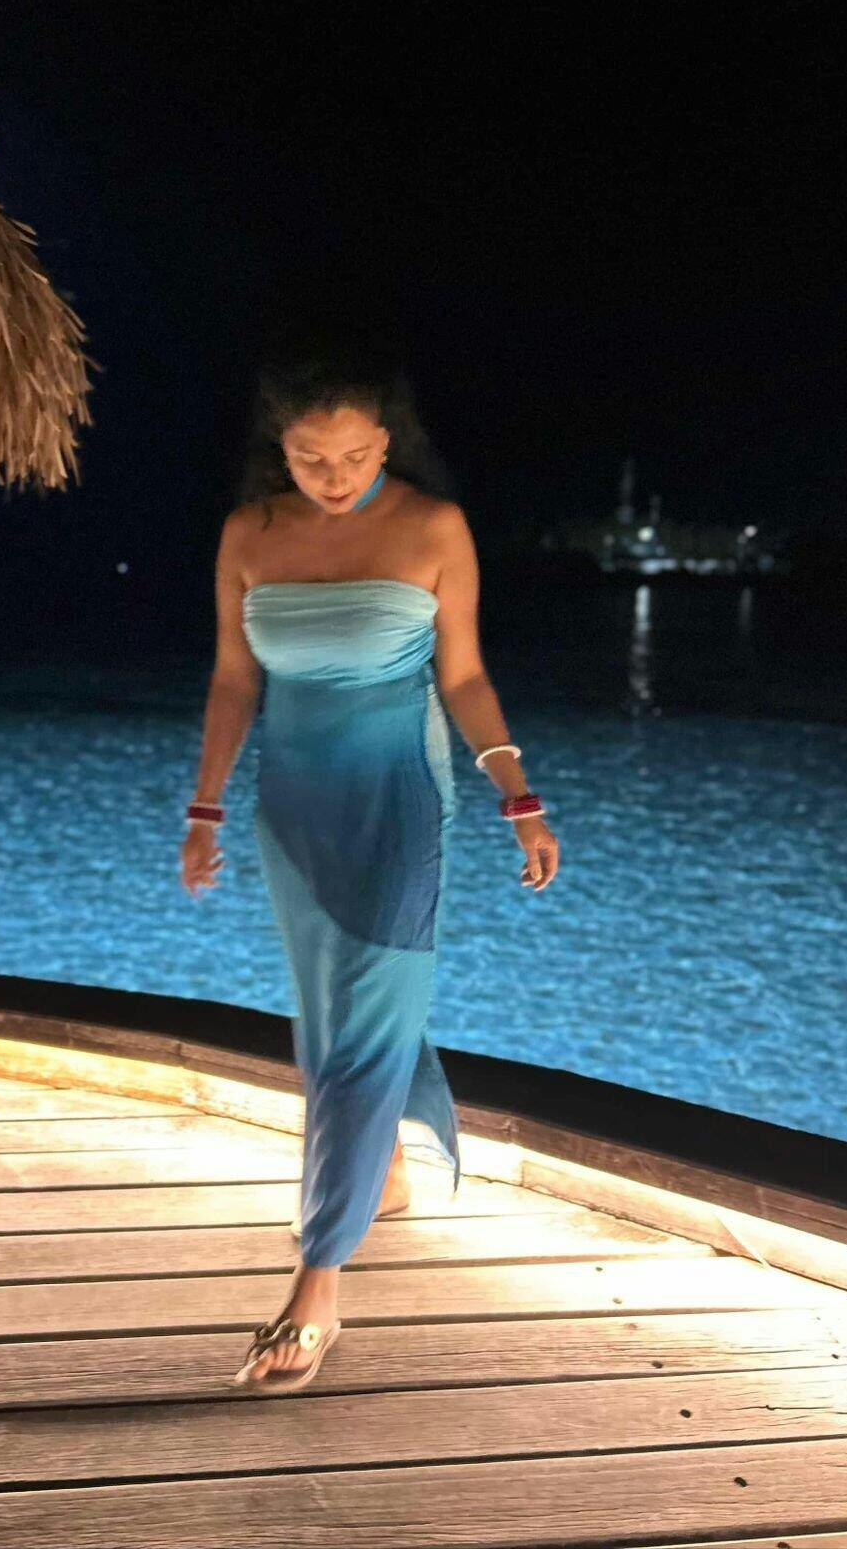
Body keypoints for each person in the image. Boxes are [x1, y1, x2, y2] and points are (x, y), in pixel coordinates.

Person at [179, 331, 560, 1394]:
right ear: (280, 449)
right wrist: (205, 808)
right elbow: (233, 681)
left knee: (361, 1029)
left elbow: (465, 676)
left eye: (353, 456)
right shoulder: (249, 535)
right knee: (331, 1021)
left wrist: (519, 796)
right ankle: (384, 1169)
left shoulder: (433, 527)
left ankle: (319, 1280)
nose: (334, 475)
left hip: (400, 803)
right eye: (311, 458)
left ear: (387, 443)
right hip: (292, 810)